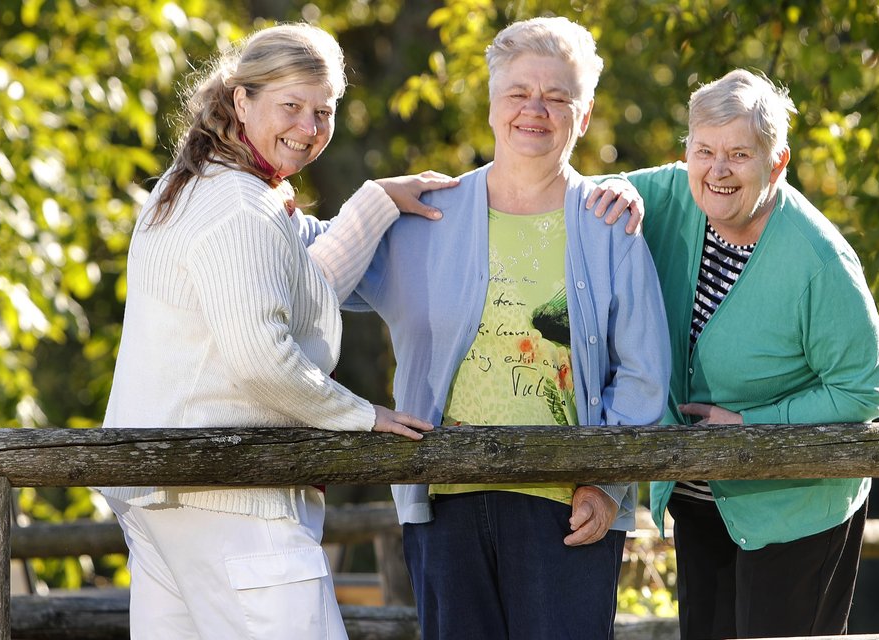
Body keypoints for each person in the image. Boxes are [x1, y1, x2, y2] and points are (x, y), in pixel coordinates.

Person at [96, 24, 455, 639]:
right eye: (290, 106)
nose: (309, 127)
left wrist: (375, 202)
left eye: (324, 111)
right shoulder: (238, 204)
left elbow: (296, 287)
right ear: (242, 101)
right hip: (229, 494)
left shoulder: (201, 186)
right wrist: (360, 414)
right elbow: (262, 357)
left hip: (167, 493)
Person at [345, 17, 670, 640]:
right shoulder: (427, 217)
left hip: (567, 511)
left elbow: (645, 374)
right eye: (519, 92)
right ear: (492, 102)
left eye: (557, 96)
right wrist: (376, 197)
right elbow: (313, 276)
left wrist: (605, 487)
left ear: (585, 112)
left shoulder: (609, 228)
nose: (535, 110)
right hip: (443, 503)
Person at [592, 69, 879, 638]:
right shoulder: (672, 191)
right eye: (704, 150)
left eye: (739, 154)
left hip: (796, 506)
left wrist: (754, 425)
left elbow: (863, 391)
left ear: (776, 163)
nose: (717, 170)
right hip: (702, 497)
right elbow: (578, 195)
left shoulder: (819, 259)